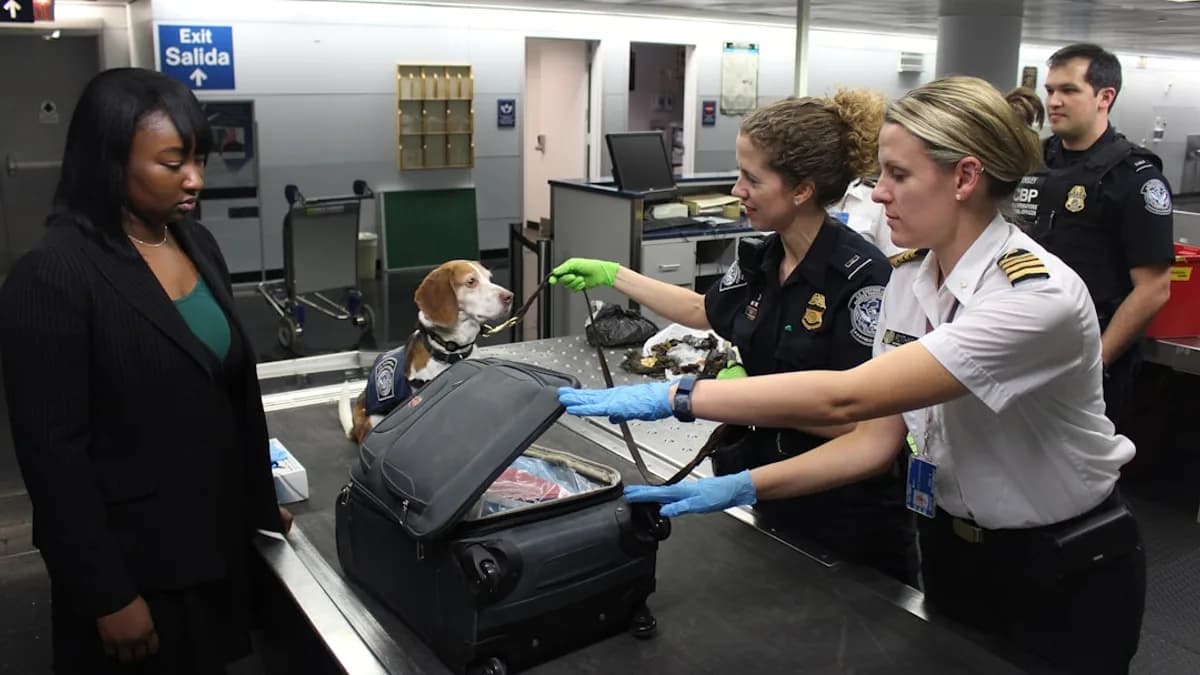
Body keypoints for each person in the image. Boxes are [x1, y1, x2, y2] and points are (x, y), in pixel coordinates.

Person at [558, 76, 1145, 674]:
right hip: (951, 549)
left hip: (1057, 565)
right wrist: (742, 488)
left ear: (965, 177)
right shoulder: (910, 282)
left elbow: (847, 399)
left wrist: (681, 396)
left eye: (898, 174)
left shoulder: (1033, 297)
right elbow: (875, 439)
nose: (877, 192)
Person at [550, 90, 917, 586]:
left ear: (801, 190)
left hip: (841, 517)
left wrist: (734, 397)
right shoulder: (764, 257)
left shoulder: (861, 279)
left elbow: (858, 426)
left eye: (752, 178)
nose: (736, 189)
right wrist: (615, 275)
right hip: (769, 489)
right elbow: (704, 311)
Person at [0, 68, 290, 674]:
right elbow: (54, 459)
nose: (195, 179)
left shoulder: (196, 243)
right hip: (141, 574)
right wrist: (106, 594)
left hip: (216, 549)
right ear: (109, 163)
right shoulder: (53, 276)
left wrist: (256, 509)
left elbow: (226, 397)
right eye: (173, 163)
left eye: (199, 159)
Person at [1013, 43, 1173, 428]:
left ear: (1105, 97)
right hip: (1022, 343)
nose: (1054, 101)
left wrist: (1096, 362)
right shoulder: (1031, 163)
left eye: (1069, 90)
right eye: (1050, 90)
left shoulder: (1133, 177)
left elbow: (1153, 288)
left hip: (1088, 355)